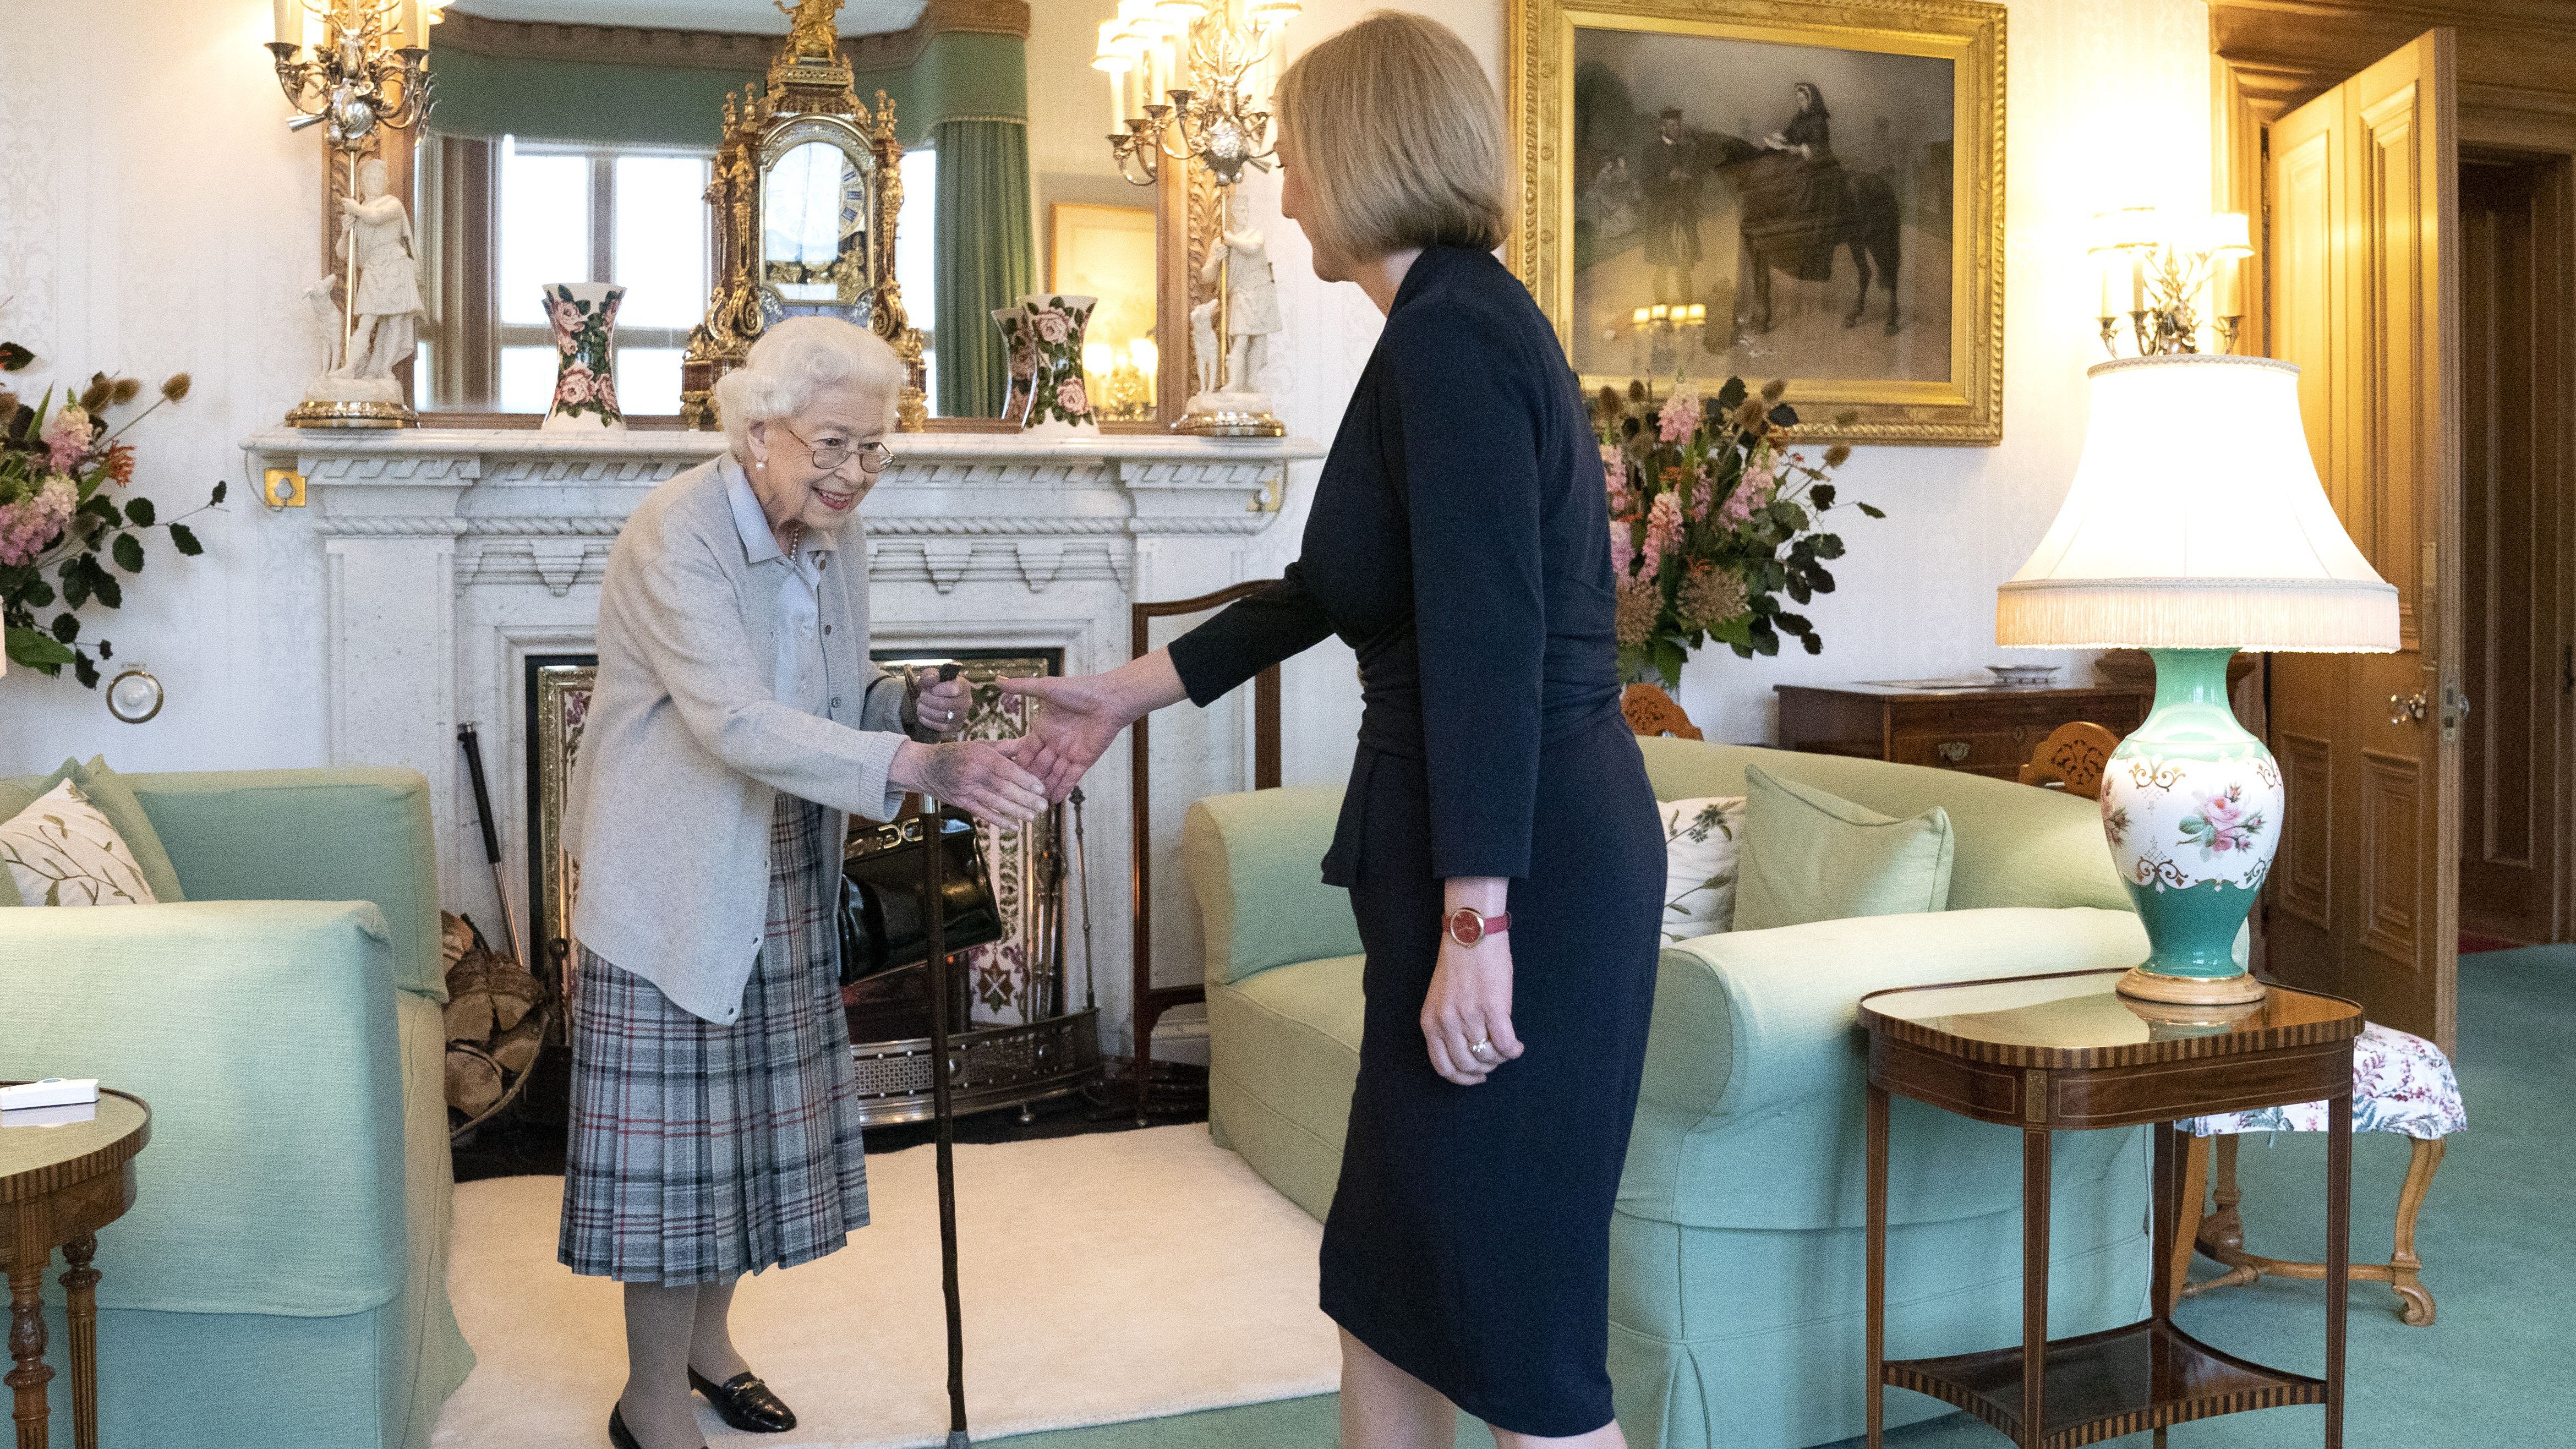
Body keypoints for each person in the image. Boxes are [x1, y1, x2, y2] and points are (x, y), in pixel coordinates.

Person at [1003, 14, 1662, 1448]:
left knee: (1514, 1326)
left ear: (1366, 154)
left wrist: (1477, 921)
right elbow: (1338, 590)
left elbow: (1486, 638)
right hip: (1471, 848)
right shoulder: (1437, 328)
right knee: (1388, 1278)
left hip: (1520, 870)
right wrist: (1131, 688)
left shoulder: (1454, 338)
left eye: (1297, 156)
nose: (1285, 187)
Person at [560, 316, 1048, 1449]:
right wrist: (916, 764)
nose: (852, 474)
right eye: (832, 445)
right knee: (678, 1162)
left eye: (874, 449)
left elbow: (820, 690)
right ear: (758, 429)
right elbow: (732, 716)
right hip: (676, 870)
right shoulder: (675, 533)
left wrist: (893, 705)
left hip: (782, 858)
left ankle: (708, 1346)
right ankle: (646, 1399)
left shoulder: (830, 535)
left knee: (746, 1138)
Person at [1636, 106, 1703, 307]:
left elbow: (1698, 183)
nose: (1677, 128)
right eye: (1672, 125)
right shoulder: (1651, 152)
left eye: (1679, 124)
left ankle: (1687, 308)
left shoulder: (1687, 149)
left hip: (1683, 216)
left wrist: (1691, 181)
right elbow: (1647, 186)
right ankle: (1660, 310)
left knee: (1684, 265)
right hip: (1661, 217)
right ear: (1662, 127)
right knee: (1662, 266)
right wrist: (1668, 178)